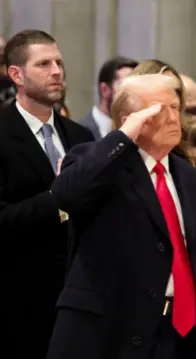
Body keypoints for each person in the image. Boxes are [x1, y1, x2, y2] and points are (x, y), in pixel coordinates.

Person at [46, 74, 196, 359]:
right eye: (160, 110)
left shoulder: (187, 175)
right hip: (111, 331)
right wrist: (123, 137)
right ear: (130, 119)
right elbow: (66, 194)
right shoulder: (95, 161)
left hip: (177, 332)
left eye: (176, 108)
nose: (174, 118)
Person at [0, 29, 94, 357]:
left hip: (79, 298)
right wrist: (60, 201)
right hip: (18, 302)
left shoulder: (81, 136)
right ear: (17, 74)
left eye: (59, 63)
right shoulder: (3, 131)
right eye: (43, 64)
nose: (56, 71)